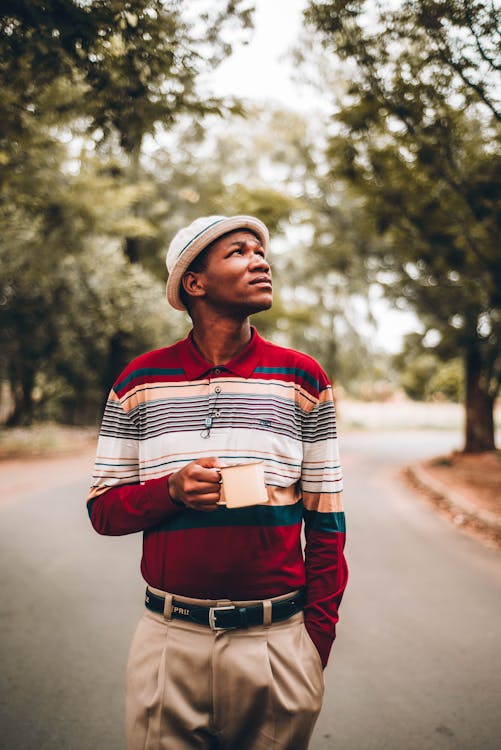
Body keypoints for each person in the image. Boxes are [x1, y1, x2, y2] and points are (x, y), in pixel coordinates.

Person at [86, 215, 347, 750]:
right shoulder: (138, 383)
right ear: (194, 282)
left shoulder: (302, 379)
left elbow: (327, 523)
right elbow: (103, 510)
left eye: (262, 251)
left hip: (276, 645)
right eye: (239, 252)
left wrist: (314, 644)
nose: (261, 260)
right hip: (169, 643)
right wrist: (171, 491)